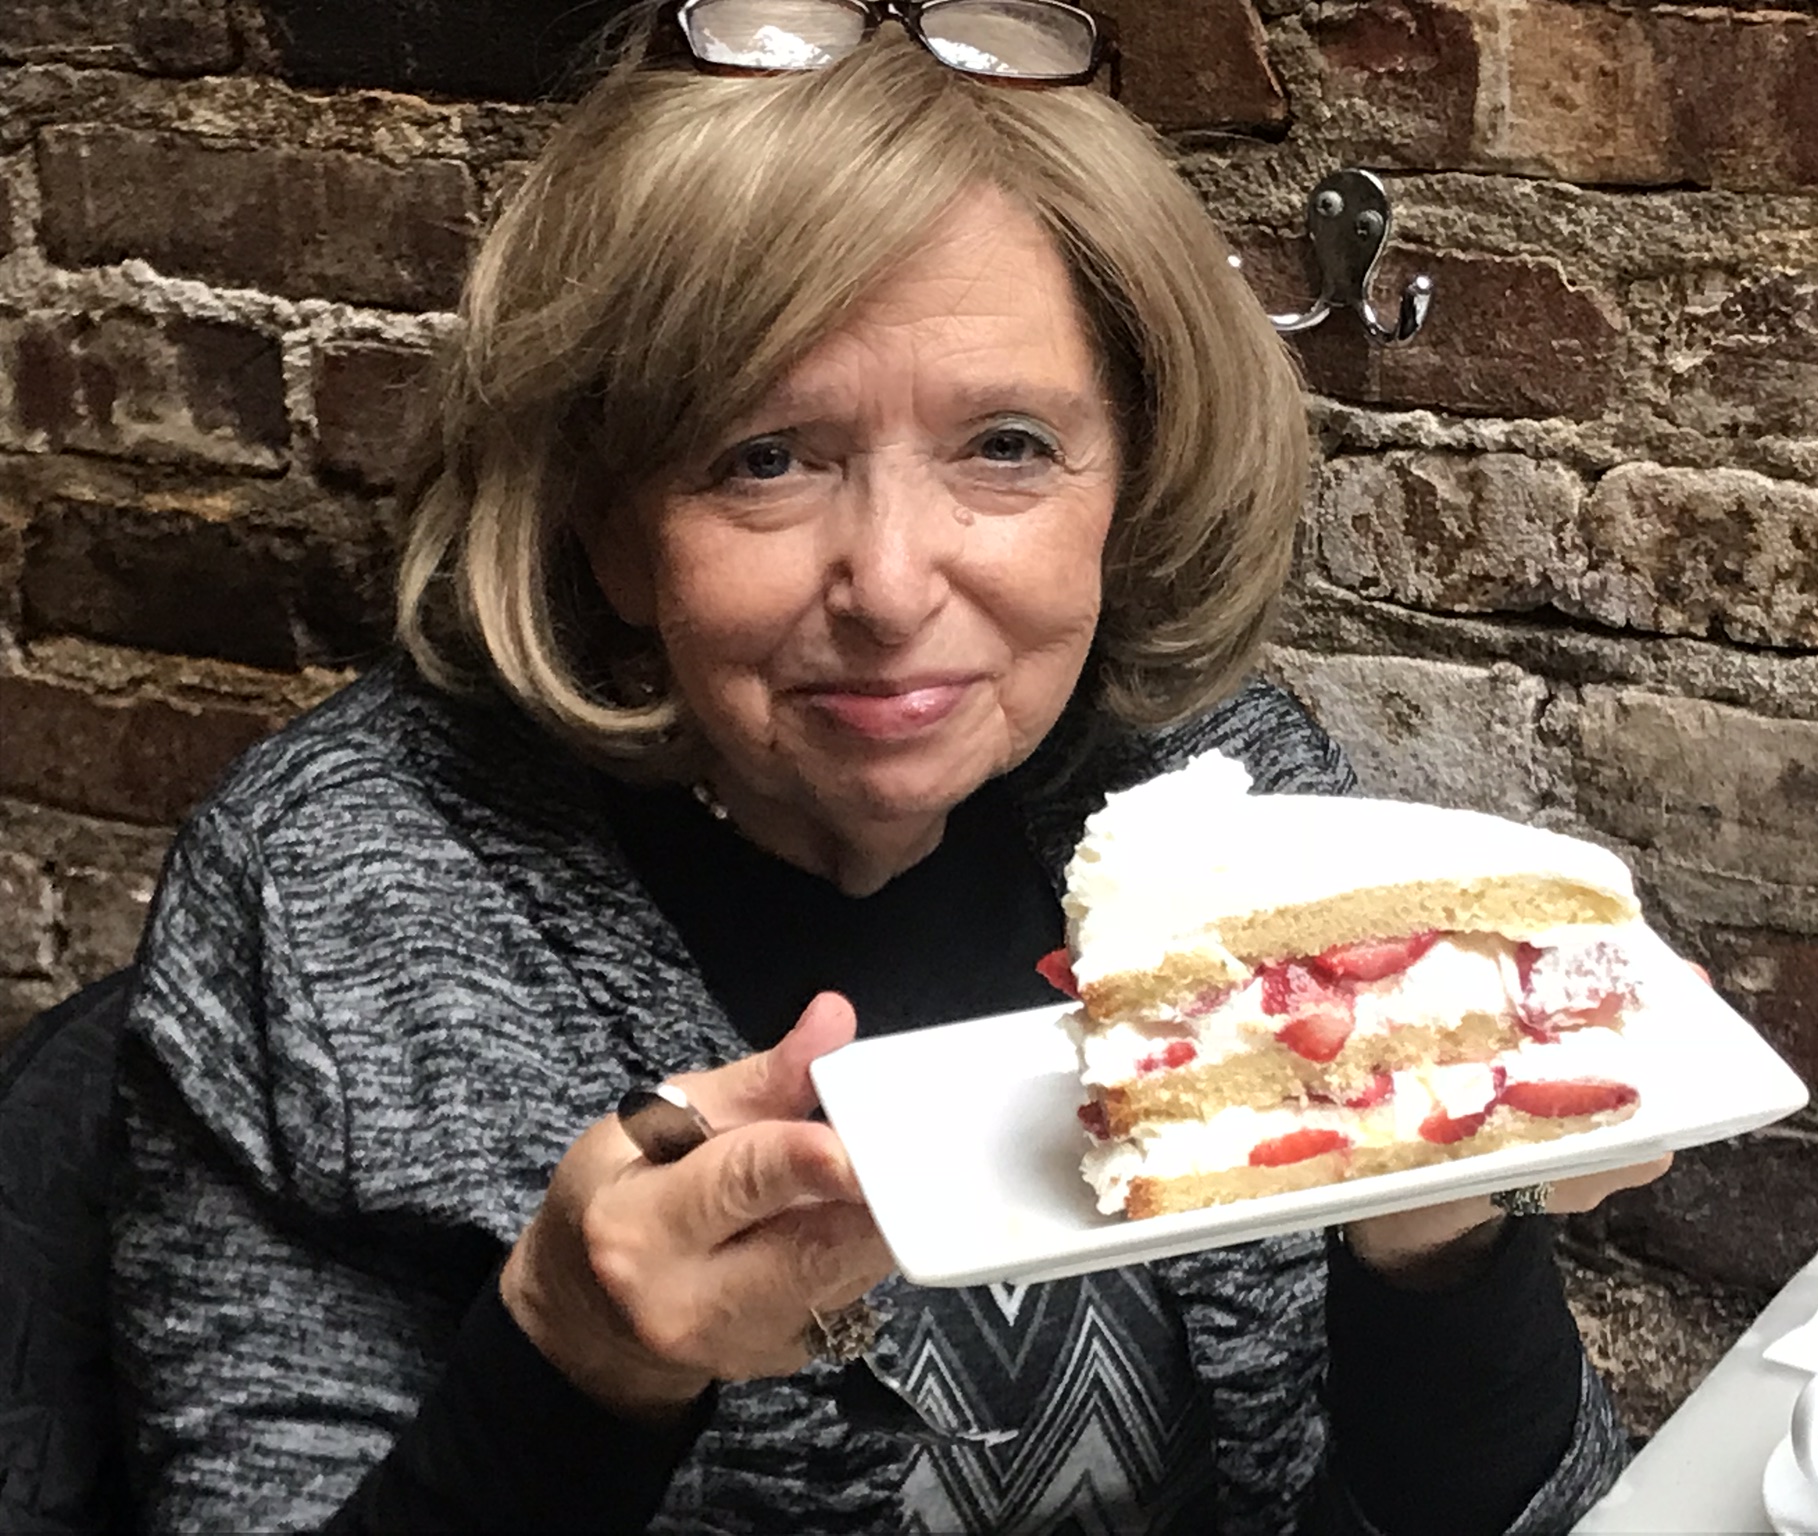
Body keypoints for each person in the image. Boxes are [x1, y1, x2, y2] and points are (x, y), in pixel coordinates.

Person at [106, 3, 1668, 1532]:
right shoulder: (330, 902)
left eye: (1006, 446)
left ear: (1127, 479)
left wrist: (1440, 1233)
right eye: (764, 458)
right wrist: (572, 1367)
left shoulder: (1220, 788)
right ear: (609, 525)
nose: (894, 586)